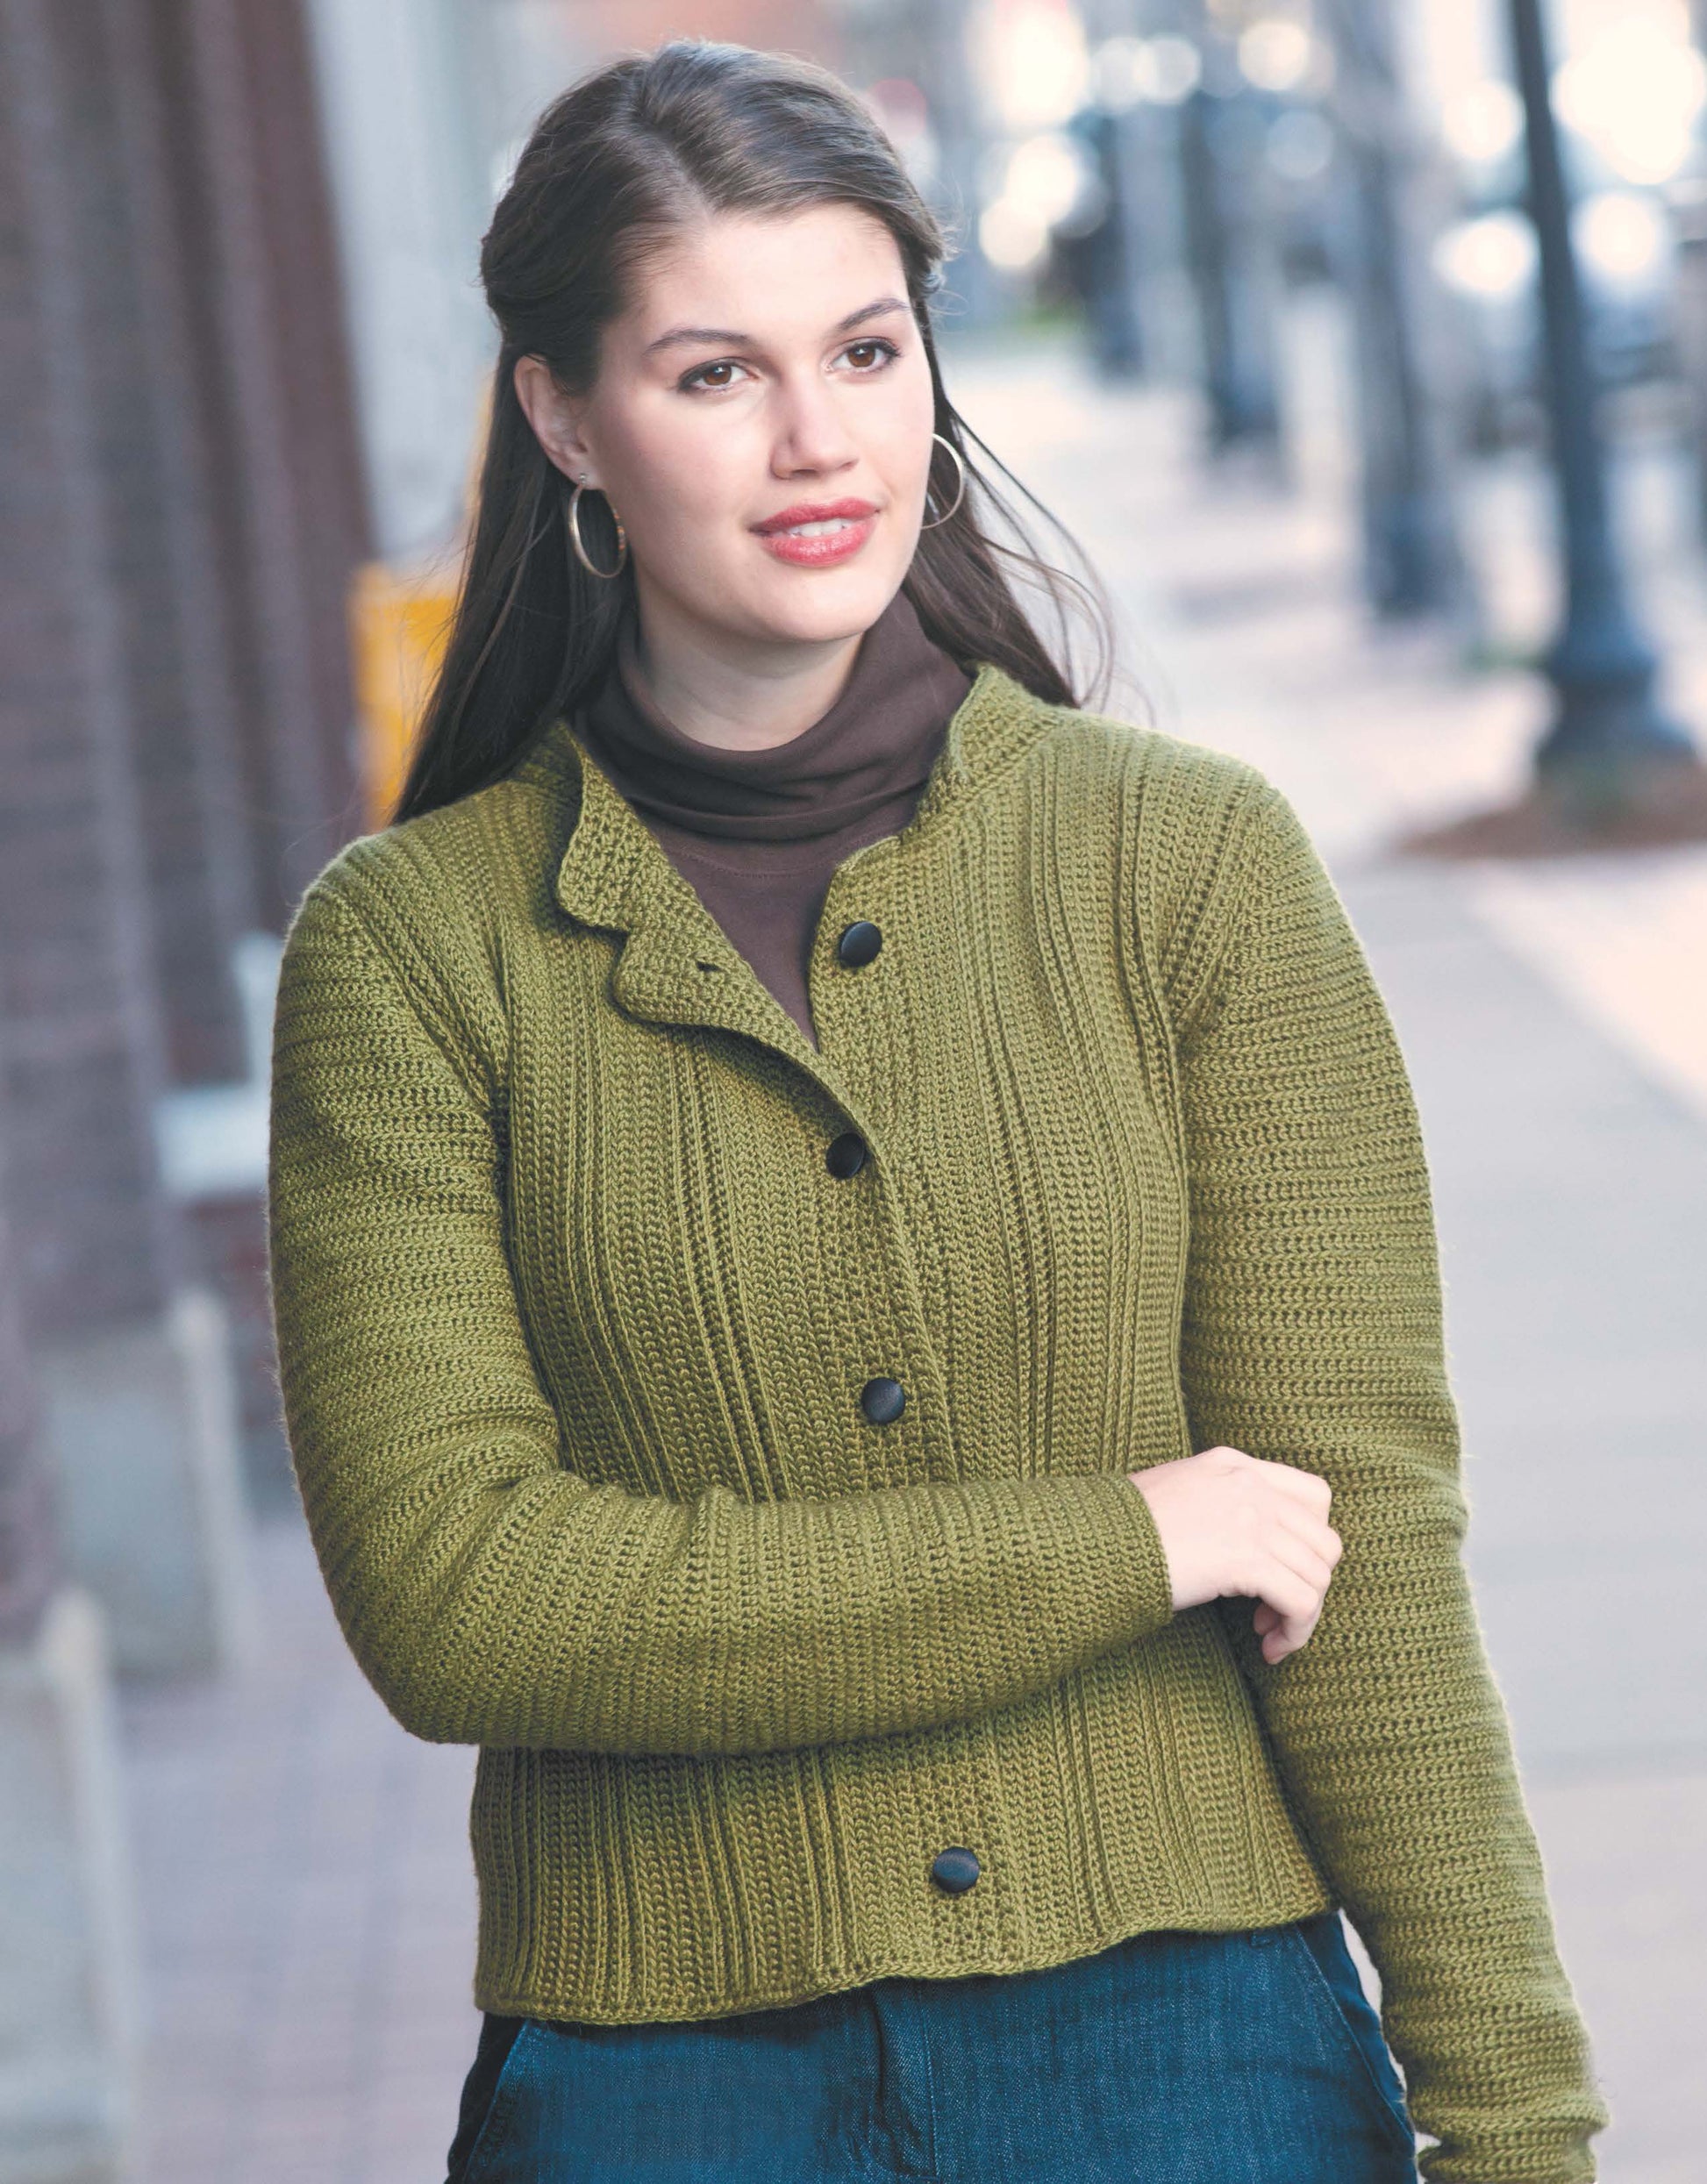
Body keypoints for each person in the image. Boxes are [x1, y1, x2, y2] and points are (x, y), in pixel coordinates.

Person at [266, 39, 1610, 2184]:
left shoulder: (1182, 868)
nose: (819, 444)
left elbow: (1367, 1550)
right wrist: (1125, 1540)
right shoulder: (416, 950)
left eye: (866, 349)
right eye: (716, 374)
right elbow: (457, 1594)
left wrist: (1518, 2124)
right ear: (562, 414)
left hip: (1195, 2048)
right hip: (661, 2077)